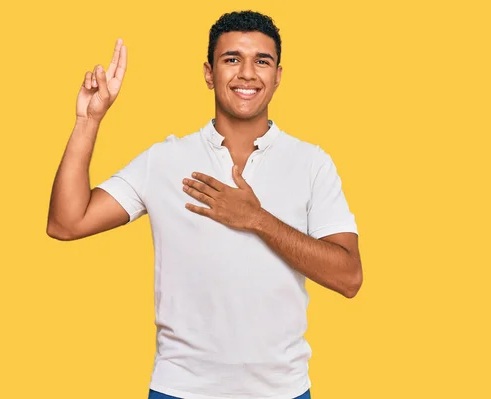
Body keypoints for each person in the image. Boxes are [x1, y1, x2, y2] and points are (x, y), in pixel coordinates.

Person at [47, 10, 362, 399]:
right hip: (179, 390)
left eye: (261, 61)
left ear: (278, 75)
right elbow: (66, 223)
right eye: (232, 59)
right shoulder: (163, 160)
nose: (247, 73)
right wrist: (88, 120)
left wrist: (257, 219)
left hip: (283, 392)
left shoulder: (312, 163)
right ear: (209, 73)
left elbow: (349, 277)